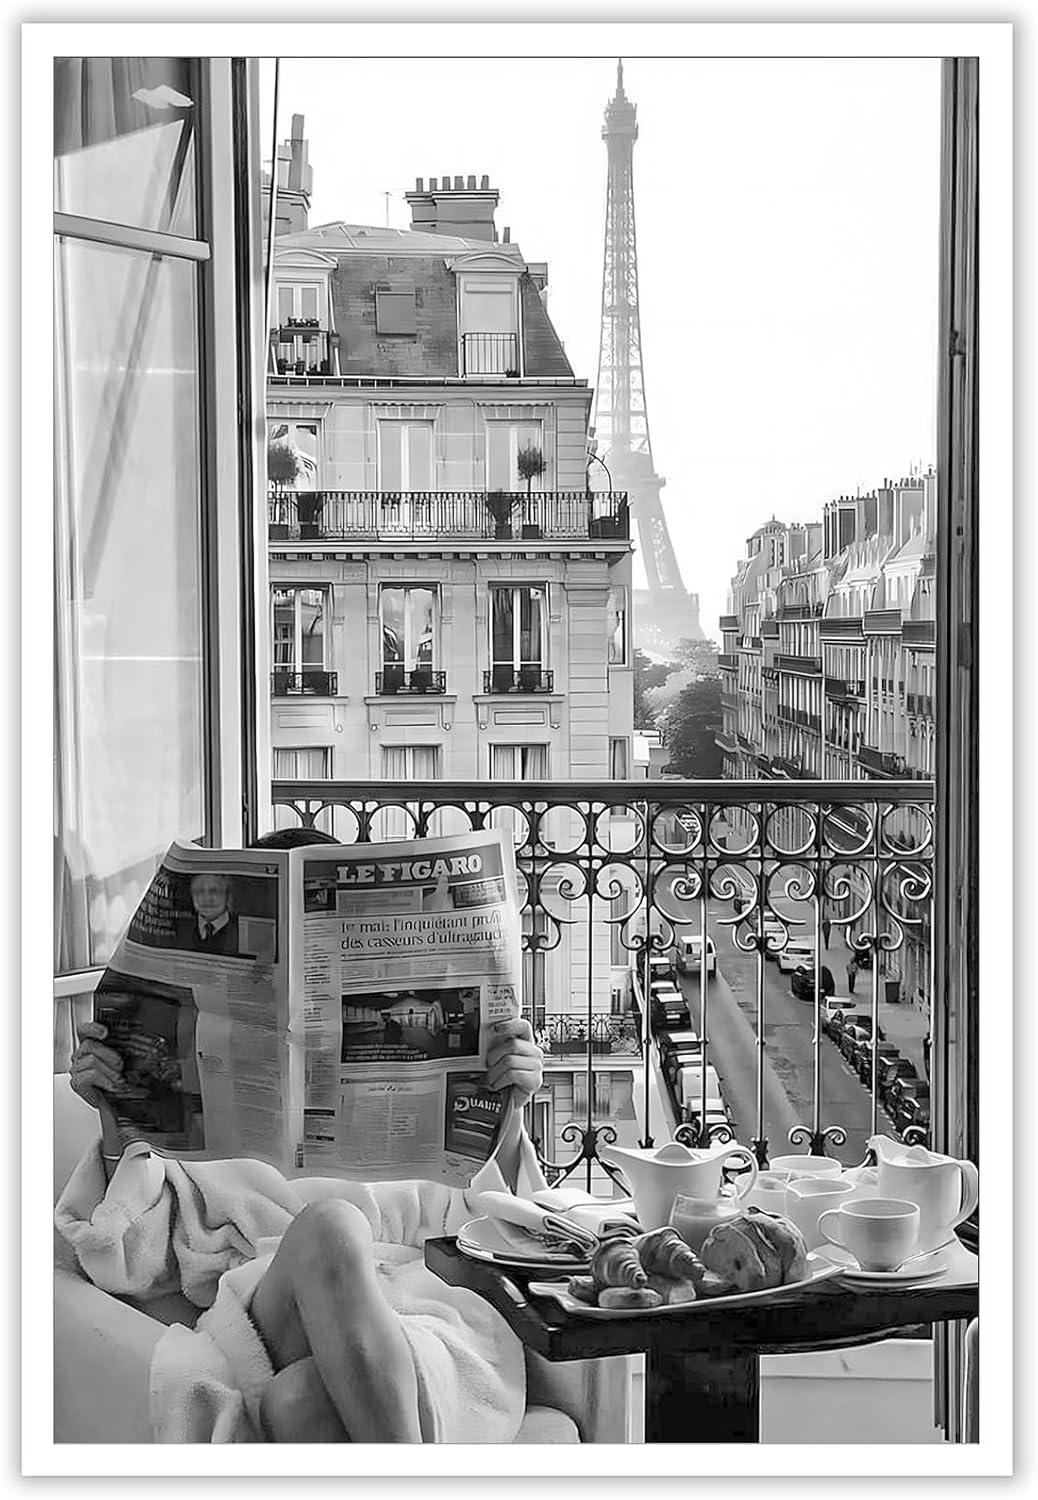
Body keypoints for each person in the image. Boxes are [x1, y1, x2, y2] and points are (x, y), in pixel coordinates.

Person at [63, 826, 544, 1444]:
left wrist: (509, 1105)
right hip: (270, 1316)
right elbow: (129, 1262)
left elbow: (498, 1221)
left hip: (420, 1319)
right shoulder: (195, 1097)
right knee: (331, 1227)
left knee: (301, 1404)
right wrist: (113, 1111)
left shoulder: (417, 1057)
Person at [176, 872, 240, 956]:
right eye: (199, 891)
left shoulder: (242, 933)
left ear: (228, 895)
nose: (206, 899)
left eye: (214, 891)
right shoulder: (178, 929)